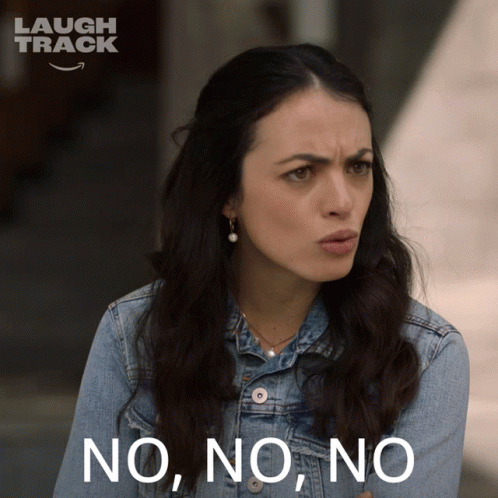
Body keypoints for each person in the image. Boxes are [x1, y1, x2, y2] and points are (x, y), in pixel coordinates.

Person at [53, 44, 469, 498]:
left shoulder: (423, 357)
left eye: (358, 167)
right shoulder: (135, 335)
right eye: (302, 173)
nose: (342, 202)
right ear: (227, 193)